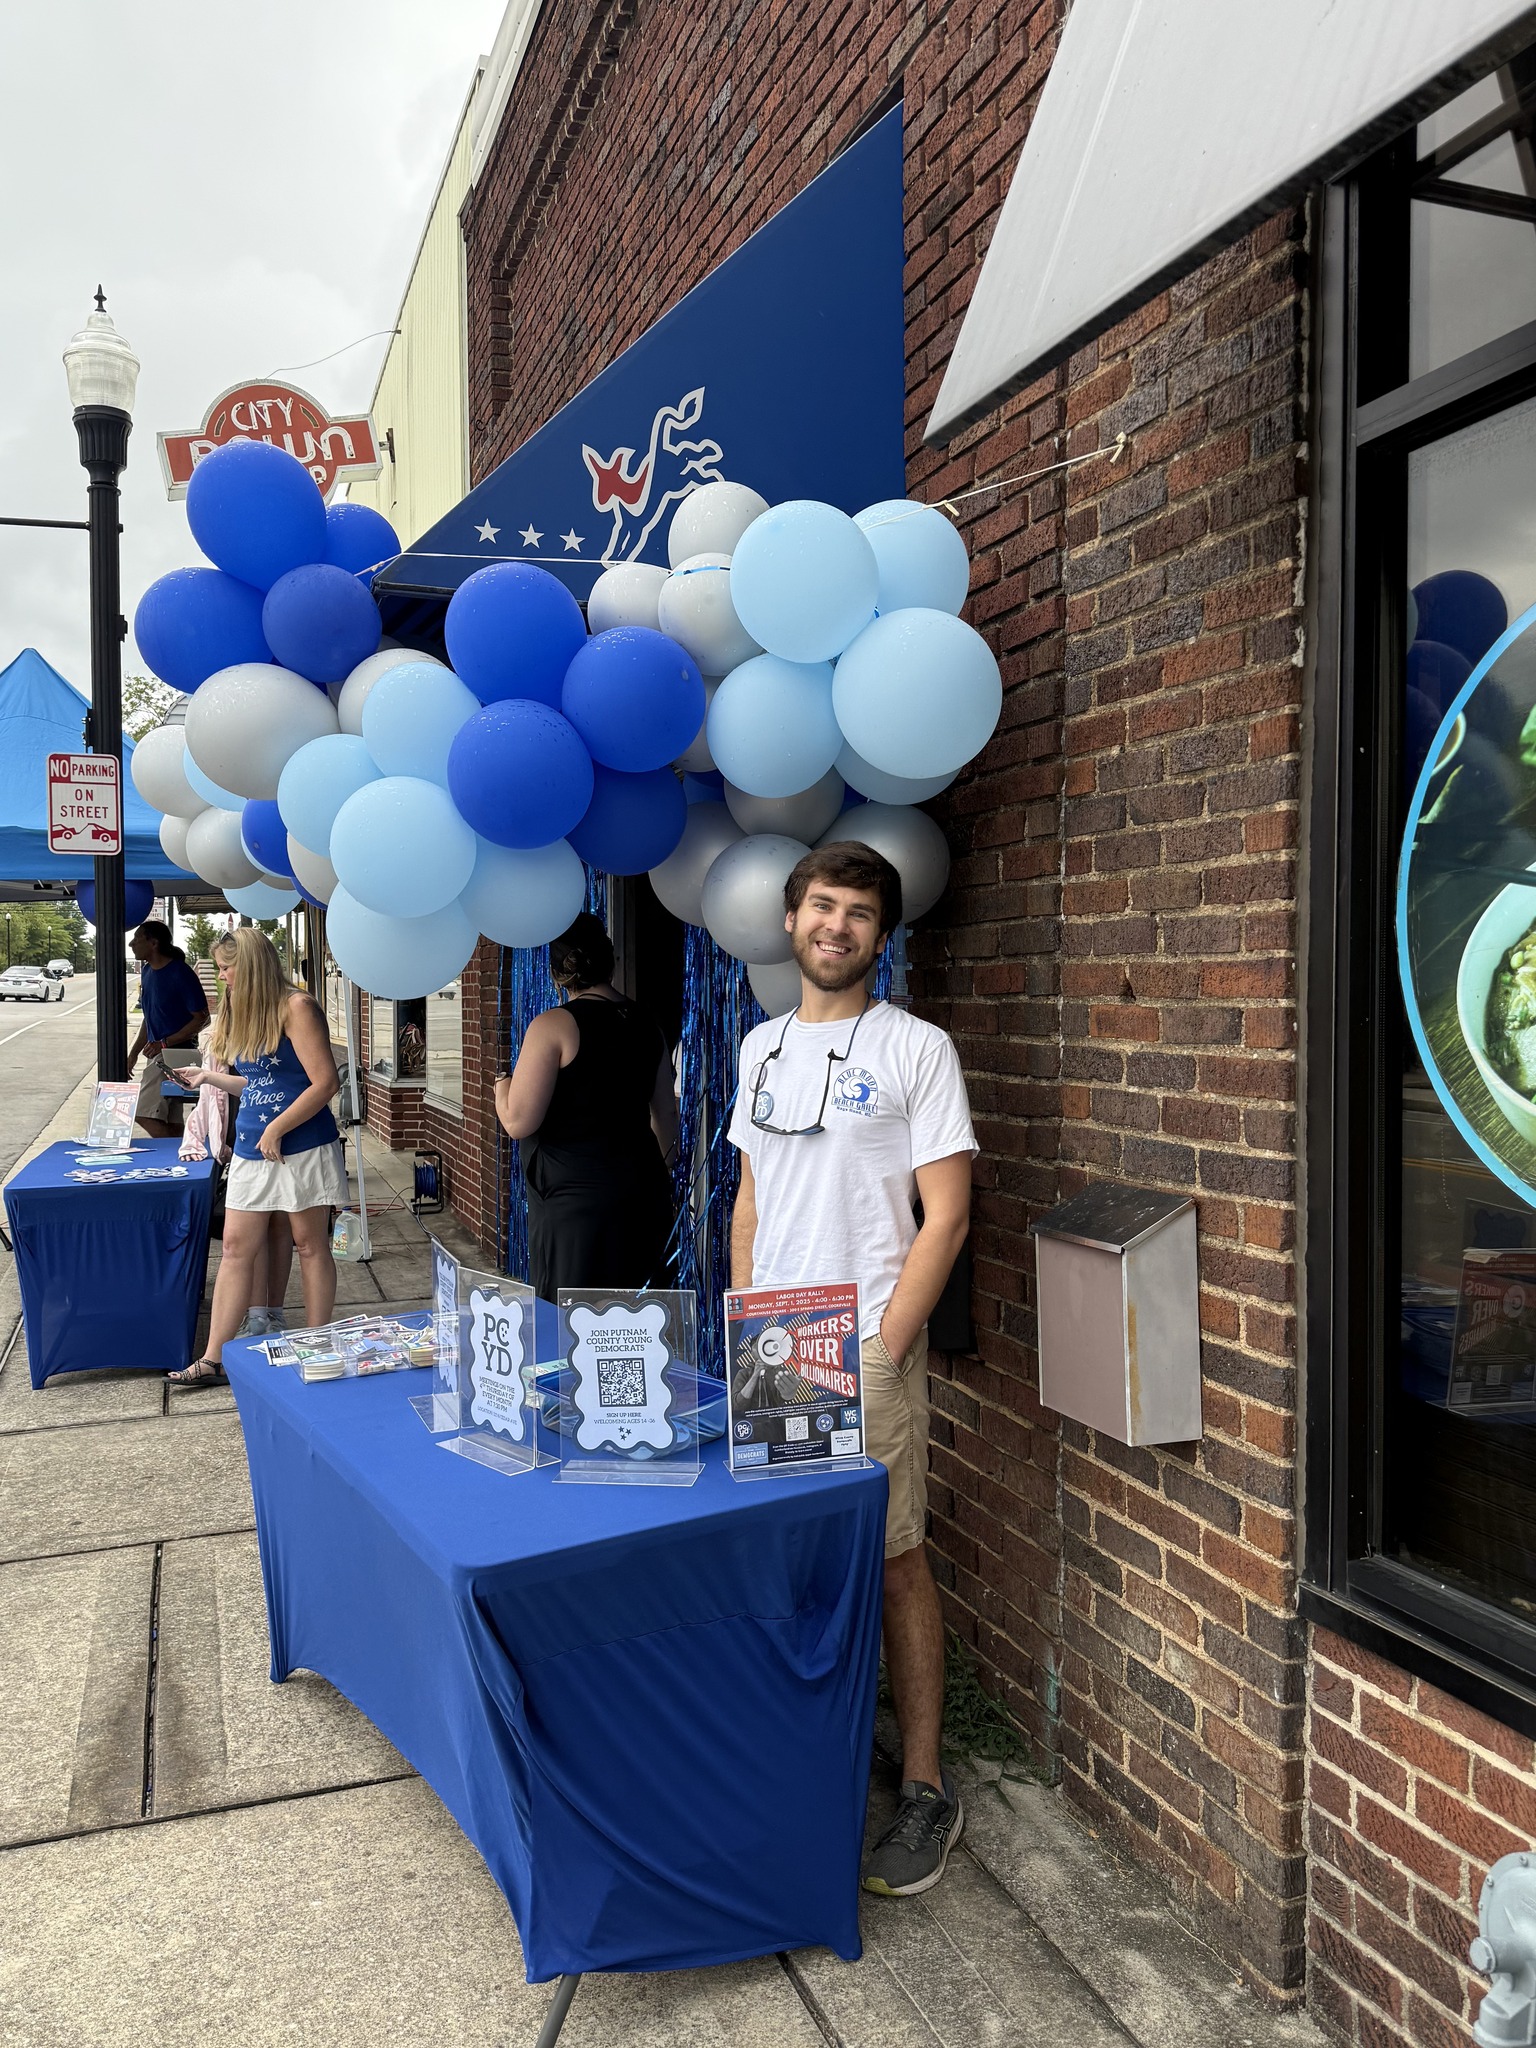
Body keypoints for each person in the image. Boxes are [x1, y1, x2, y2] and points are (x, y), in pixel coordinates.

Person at [728, 841, 976, 1898]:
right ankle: (806, 1746)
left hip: (864, 1338)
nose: (837, 925)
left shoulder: (917, 1047)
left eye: (860, 912)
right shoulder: (760, 1046)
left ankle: (922, 1782)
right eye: (821, 905)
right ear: (790, 922)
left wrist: (887, 1340)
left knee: (892, 1555)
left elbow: (948, 1210)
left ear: (883, 934)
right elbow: (750, 1195)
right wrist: (745, 1316)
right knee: (785, 1553)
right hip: (777, 1338)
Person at [166, 927, 346, 1387]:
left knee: (310, 1245)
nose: (222, 977)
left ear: (249, 965)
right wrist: (208, 1077)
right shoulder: (246, 1012)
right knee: (233, 1250)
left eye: (226, 968)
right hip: (252, 1151)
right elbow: (261, 1085)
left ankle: (318, 1344)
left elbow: (324, 1083)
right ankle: (213, 1359)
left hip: (302, 1148)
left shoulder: (297, 1006)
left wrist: (278, 1127)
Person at [494, 911, 678, 1299]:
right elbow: (668, 1126)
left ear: (558, 973)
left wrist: (501, 1087)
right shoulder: (647, 1024)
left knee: (574, 1325)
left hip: (577, 1206)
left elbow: (518, 1122)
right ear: (610, 963)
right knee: (639, 1323)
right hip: (644, 1195)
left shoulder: (554, 1025)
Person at [127, 921, 210, 1138]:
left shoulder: (180, 973)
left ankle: (185, 1148)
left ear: (153, 943)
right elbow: (149, 1017)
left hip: (176, 1054)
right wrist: (133, 1053)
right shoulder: (147, 972)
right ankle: (183, 1156)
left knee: (141, 1112)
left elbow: (202, 1018)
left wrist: (165, 1042)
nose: (131, 943)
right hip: (157, 1054)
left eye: (137, 938)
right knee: (171, 1120)